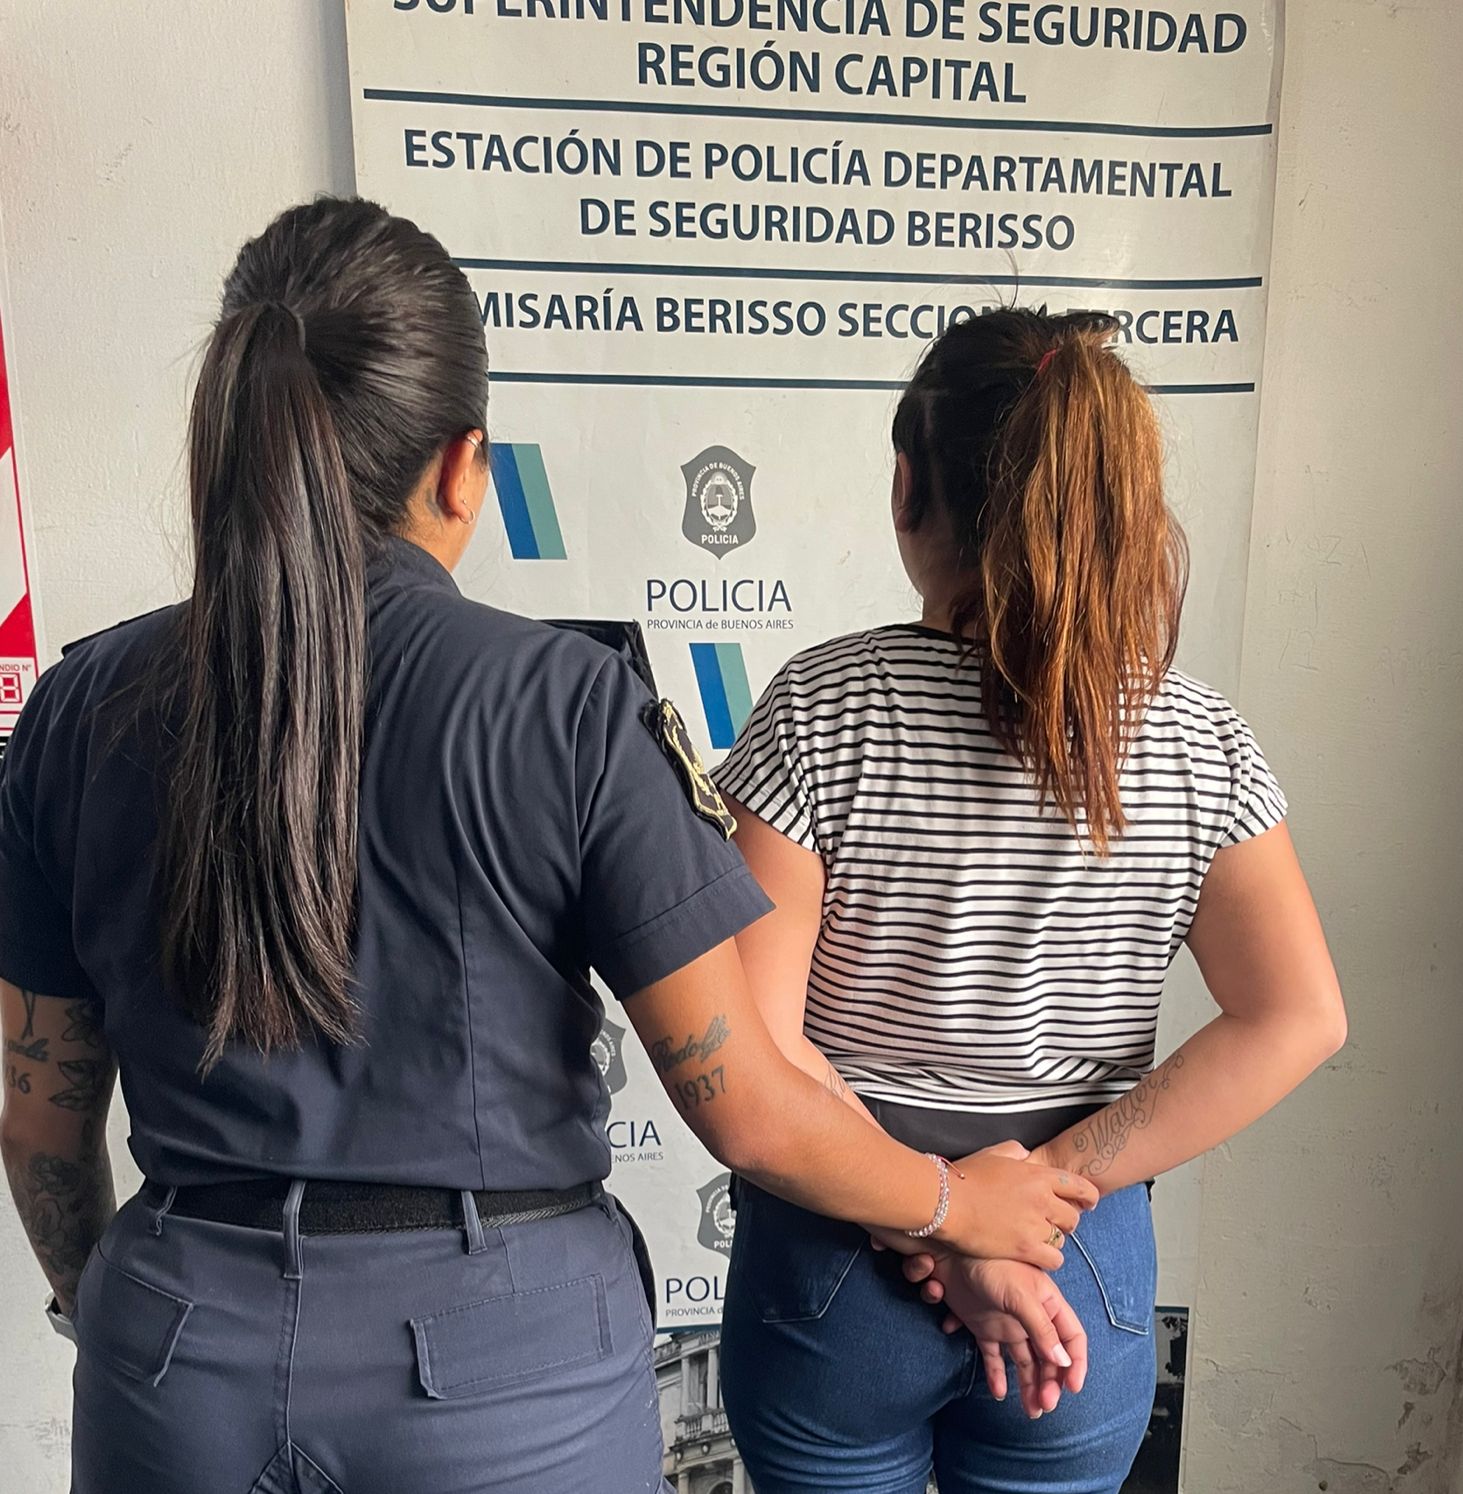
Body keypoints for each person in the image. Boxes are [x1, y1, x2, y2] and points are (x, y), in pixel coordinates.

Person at [0, 202, 1096, 1494]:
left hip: (176, 1359)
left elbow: (41, 1117)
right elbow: (744, 1104)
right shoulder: (566, 705)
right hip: (502, 1381)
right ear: (464, 464)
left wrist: (119, 1310)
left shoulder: (74, 710)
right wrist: (958, 1205)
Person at [713, 308, 1349, 1494]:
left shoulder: (820, 709)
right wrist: (1032, 1201)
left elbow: (752, 1040)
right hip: (1077, 1271)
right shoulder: (1199, 739)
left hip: (840, 1267)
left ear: (907, 485)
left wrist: (949, 1219)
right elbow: (1299, 1013)